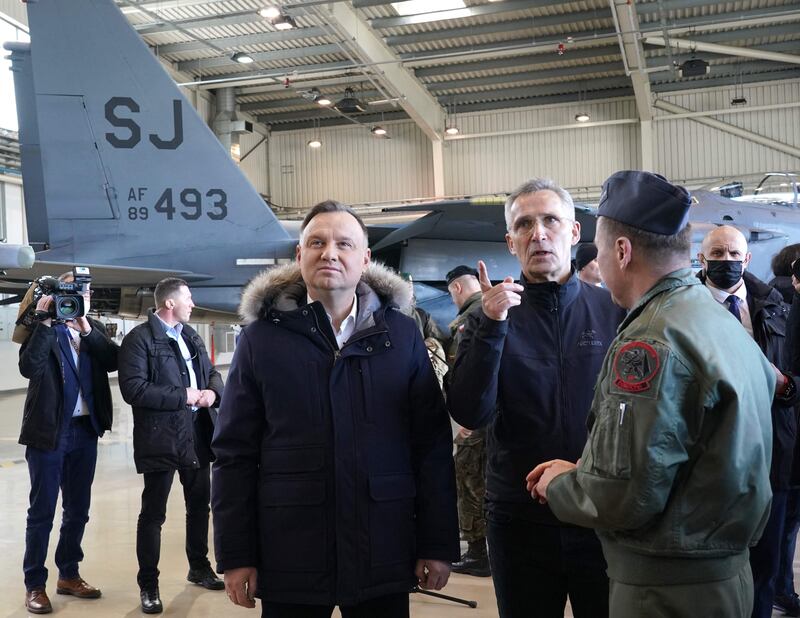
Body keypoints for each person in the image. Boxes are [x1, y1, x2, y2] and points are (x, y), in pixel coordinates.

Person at [527, 170, 776, 618]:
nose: (599, 264)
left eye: (600, 251)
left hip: (665, 590)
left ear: (622, 252)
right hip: (725, 575)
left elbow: (626, 497)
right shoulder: (713, 318)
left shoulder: (649, 342)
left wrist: (561, 484)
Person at [211, 200, 459, 618]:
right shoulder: (261, 341)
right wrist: (236, 554)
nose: (329, 253)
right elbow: (234, 454)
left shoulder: (400, 334)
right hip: (292, 553)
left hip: (384, 546)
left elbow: (431, 446)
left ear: (365, 259)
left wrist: (436, 544)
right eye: (317, 243)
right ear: (299, 256)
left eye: (344, 244)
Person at [448, 179, 625, 618]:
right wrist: (492, 325)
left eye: (550, 220)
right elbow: (470, 411)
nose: (538, 233)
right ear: (511, 242)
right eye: (524, 224)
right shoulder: (488, 315)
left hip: (600, 513)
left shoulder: (615, 311)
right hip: (518, 518)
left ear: (574, 232)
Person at [697, 225, 800, 618]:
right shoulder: (682, 309)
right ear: (701, 260)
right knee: (711, 570)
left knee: (765, 567)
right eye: (717, 254)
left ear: (748, 258)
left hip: (771, 455)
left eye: (733, 253)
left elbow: (795, 376)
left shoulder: (777, 306)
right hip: (708, 459)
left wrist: (786, 385)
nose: (726, 261)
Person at [118, 278, 224, 614]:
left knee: (199, 506)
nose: (193, 304)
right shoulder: (139, 340)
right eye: (188, 299)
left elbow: (211, 373)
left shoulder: (190, 335)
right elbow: (133, 389)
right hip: (160, 436)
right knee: (153, 514)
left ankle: (199, 566)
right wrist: (184, 396)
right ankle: (148, 585)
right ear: (169, 304)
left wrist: (212, 392)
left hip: (196, 433)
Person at [17, 273, 118, 614]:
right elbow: (29, 368)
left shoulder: (93, 330)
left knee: (78, 510)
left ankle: (69, 574)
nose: (78, 297)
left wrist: (86, 328)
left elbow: (113, 361)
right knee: (41, 512)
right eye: (71, 291)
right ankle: (35, 584)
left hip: (85, 431)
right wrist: (45, 323)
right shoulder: (43, 328)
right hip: (49, 431)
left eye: (83, 291)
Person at [444, 264, 490, 577]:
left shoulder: (467, 319)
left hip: (477, 421)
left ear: (457, 288)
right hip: (493, 419)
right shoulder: (489, 309)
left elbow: (467, 376)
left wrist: (466, 420)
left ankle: (477, 553)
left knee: (470, 479)